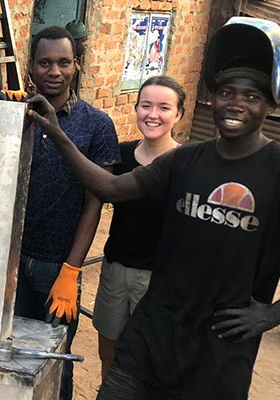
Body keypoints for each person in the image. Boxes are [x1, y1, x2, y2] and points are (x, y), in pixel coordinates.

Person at [26, 17, 280, 399]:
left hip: (219, 352)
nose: (235, 104)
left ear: (272, 102)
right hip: (151, 338)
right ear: (213, 97)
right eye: (226, 93)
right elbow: (109, 186)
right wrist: (57, 132)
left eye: (251, 96)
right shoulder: (185, 161)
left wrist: (276, 312)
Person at [13, 26, 121, 400]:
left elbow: (95, 202)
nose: (53, 71)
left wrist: (71, 269)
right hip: (15, 261)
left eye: (63, 62)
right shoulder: (19, 115)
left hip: (58, 265)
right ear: (31, 67)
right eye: (45, 63)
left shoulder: (97, 125)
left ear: (77, 65)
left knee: (56, 359)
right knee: (14, 357)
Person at [92, 75, 185, 378]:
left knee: (149, 357)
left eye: (164, 107)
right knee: (109, 350)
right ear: (136, 108)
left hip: (160, 278)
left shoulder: (188, 164)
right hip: (116, 269)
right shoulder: (120, 155)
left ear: (178, 114)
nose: (153, 115)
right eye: (146, 105)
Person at [65, 19, 88, 93]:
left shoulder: (76, 58)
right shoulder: (62, 61)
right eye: (83, 40)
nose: (86, 44)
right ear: (74, 42)